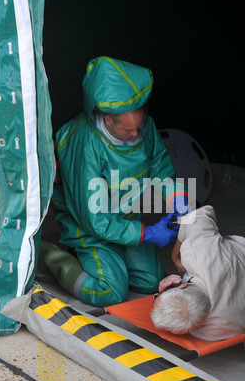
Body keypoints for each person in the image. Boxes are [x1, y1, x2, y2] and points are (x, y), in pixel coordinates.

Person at [41, 56, 189, 307]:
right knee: (109, 292)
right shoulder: (83, 144)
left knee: (151, 282)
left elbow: (160, 166)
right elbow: (94, 219)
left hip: (125, 216)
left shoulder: (143, 126)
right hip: (88, 226)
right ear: (107, 118)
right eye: (127, 130)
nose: (135, 134)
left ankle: (111, 257)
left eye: (138, 127)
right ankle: (49, 256)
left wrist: (177, 197)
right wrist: (148, 234)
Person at [151, 205, 245, 341]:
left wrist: (166, 291)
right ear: (181, 286)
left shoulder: (217, 331)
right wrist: (176, 256)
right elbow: (198, 214)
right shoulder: (199, 252)